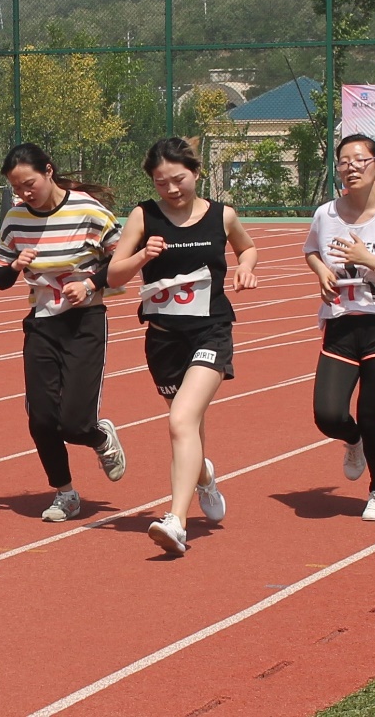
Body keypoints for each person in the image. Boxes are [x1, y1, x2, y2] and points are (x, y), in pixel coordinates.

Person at [105, 137, 259, 555]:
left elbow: (247, 248)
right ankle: (203, 475)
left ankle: (176, 521)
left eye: (179, 179)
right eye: (161, 183)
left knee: (180, 420)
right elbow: (114, 275)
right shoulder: (144, 216)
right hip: (163, 338)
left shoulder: (222, 215)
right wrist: (142, 256)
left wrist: (245, 269)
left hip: (210, 332)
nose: (172, 189)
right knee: (188, 424)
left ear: (195, 172)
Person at [0, 143, 128, 522]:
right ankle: (65, 493)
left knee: (74, 423)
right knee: (41, 420)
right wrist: (15, 266)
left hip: (84, 322)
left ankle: (99, 437)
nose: (24, 194)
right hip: (42, 323)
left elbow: (122, 257)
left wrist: (90, 284)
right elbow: (0, 278)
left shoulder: (87, 210)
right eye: (17, 188)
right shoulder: (16, 219)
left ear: (48, 171)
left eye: (29, 184)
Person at [303, 134, 375, 522]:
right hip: (340, 323)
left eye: (360, 160)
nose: (351, 167)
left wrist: (369, 260)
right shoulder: (326, 215)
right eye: (344, 161)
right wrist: (322, 272)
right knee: (328, 415)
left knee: (372, 417)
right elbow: (311, 251)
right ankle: (351, 440)